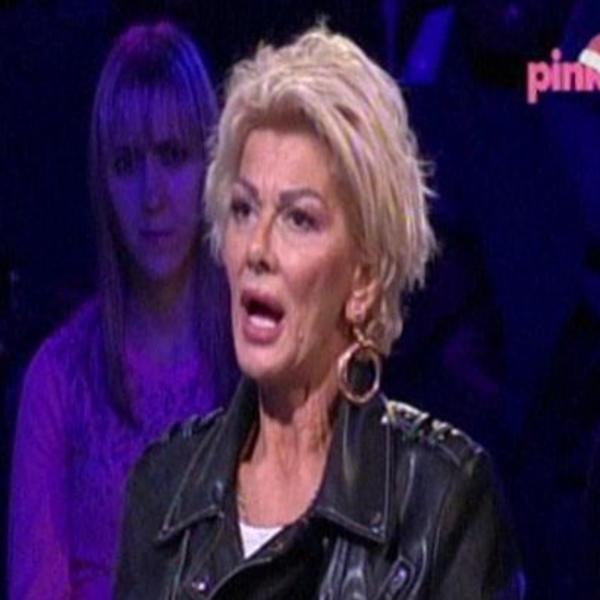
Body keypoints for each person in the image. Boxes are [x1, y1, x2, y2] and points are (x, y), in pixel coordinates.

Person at [116, 26, 523, 599]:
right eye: (243, 209)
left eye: (298, 219)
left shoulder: (442, 501)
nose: (256, 249)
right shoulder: (163, 492)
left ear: (364, 280)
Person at [8, 21, 234, 599]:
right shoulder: (58, 378)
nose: (152, 195)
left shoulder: (262, 365)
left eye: (173, 156)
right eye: (128, 164)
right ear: (102, 182)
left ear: (212, 165)